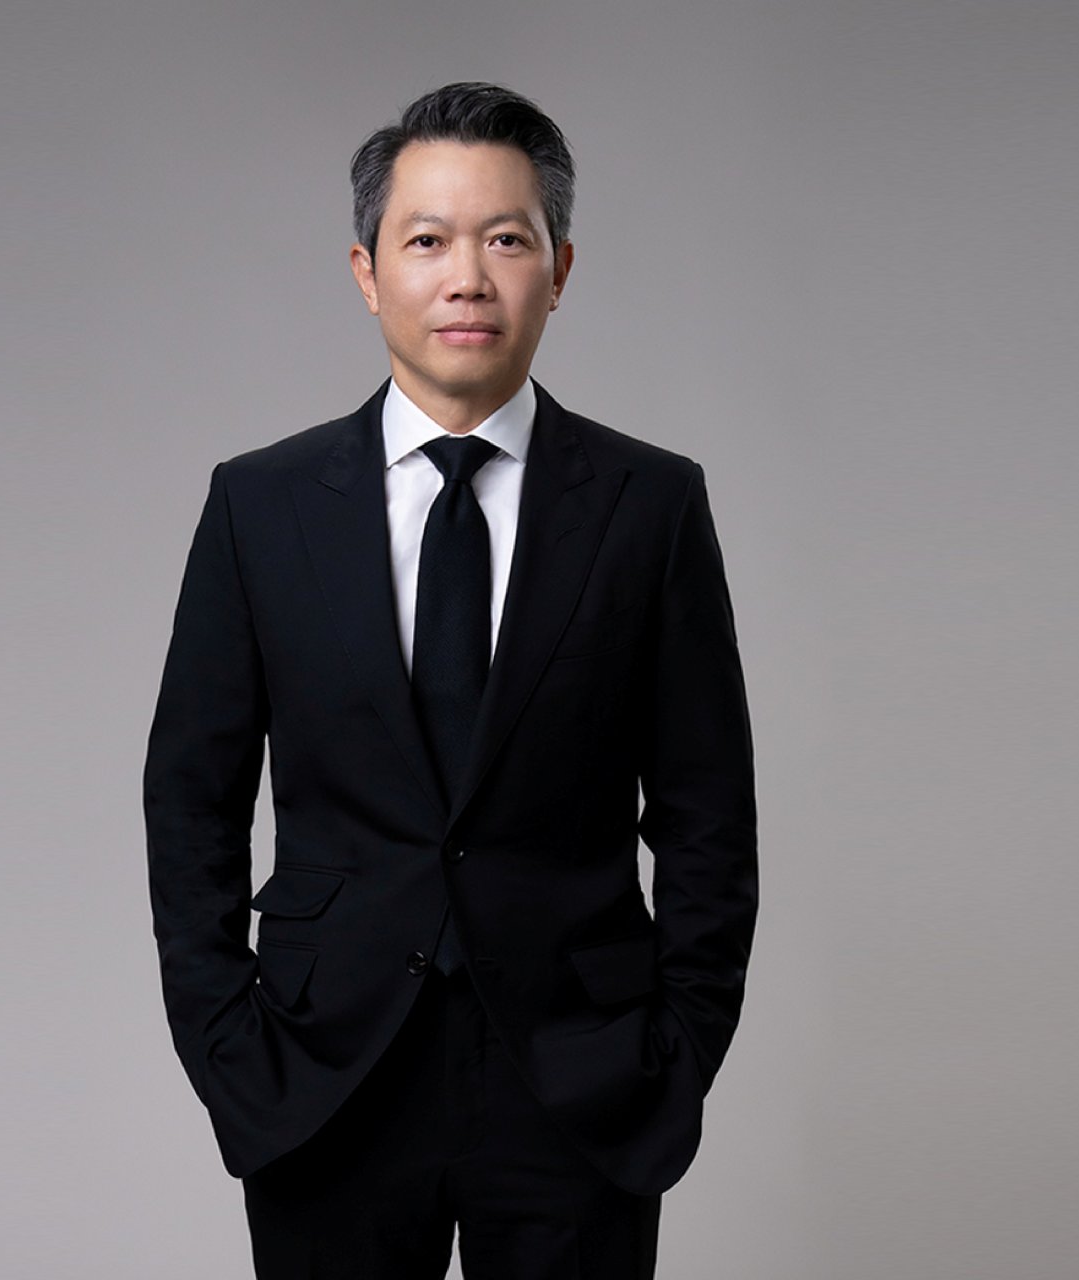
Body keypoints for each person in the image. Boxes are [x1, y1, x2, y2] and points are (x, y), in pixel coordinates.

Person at [144, 81, 757, 1278]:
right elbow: (190, 796)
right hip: (324, 1071)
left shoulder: (649, 505)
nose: (467, 278)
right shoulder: (261, 505)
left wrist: (674, 1050)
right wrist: (229, 1048)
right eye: (427, 240)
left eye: (506, 240)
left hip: (582, 1073)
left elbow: (709, 810)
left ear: (559, 270)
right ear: (368, 272)